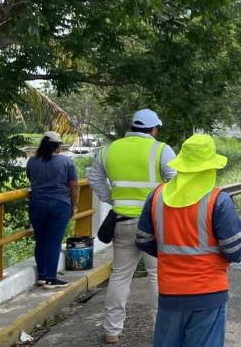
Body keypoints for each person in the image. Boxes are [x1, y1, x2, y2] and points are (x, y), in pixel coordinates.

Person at [136, 134, 241, 347]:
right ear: (210, 167)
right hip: (208, 294)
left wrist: (170, 258)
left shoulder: (156, 196)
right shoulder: (218, 200)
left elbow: (143, 239)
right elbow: (235, 250)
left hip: (170, 293)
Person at [87, 109, 177, 344]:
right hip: (154, 224)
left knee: (120, 276)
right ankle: (161, 328)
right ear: (154, 129)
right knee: (157, 276)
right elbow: (175, 179)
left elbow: (94, 178)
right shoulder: (161, 149)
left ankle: (112, 331)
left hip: (121, 221)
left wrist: (111, 199)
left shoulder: (109, 150)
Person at [26, 131, 78, 289]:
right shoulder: (66, 162)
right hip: (59, 204)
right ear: (58, 146)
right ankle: (51, 279)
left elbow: (31, 179)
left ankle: (42, 276)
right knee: (54, 241)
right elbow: (74, 185)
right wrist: (74, 205)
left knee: (41, 239)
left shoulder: (32, 161)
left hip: (36, 204)